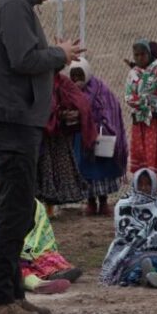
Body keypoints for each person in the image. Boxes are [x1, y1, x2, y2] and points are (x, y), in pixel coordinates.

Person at [0, 0, 83, 314]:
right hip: (11, 121)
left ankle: (13, 297)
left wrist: (53, 53)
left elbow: (25, 56)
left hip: (19, 120)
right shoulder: (13, 6)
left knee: (20, 211)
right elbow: (23, 60)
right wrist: (59, 53)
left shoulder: (19, 8)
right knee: (12, 212)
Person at [100, 168, 157, 288]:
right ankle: (147, 277)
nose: (144, 188)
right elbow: (124, 234)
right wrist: (142, 241)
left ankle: (156, 277)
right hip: (130, 248)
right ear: (134, 184)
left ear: (154, 185)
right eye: (140, 184)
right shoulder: (123, 205)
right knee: (133, 264)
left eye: (148, 184)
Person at [66, 58, 128, 216]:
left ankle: (104, 201)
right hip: (81, 138)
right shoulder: (70, 92)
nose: (77, 80)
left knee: (102, 170)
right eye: (74, 76)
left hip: (100, 136)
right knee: (85, 171)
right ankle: (91, 202)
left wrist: (98, 123)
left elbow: (110, 108)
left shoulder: (100, 89)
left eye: (80, 75)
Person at [36, 72, 97, 214]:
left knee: (56, 170)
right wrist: (58, 114)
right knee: (43, 169)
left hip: (59, 135)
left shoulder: (63, 82)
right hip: (42, 134)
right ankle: (39, 209)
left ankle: (50, 208)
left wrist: (74, 113)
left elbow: (81, 102)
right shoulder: (38, 82)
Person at [125, 39, 157, 181]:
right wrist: (145, 100)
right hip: (141, 124)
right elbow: (129, 97)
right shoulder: (133, 74)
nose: (140, 58)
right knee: (142, 160)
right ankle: (141, 194)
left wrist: (141, 98)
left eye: (143, 54)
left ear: (149, 54)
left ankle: (155, 194)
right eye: (136, 55)